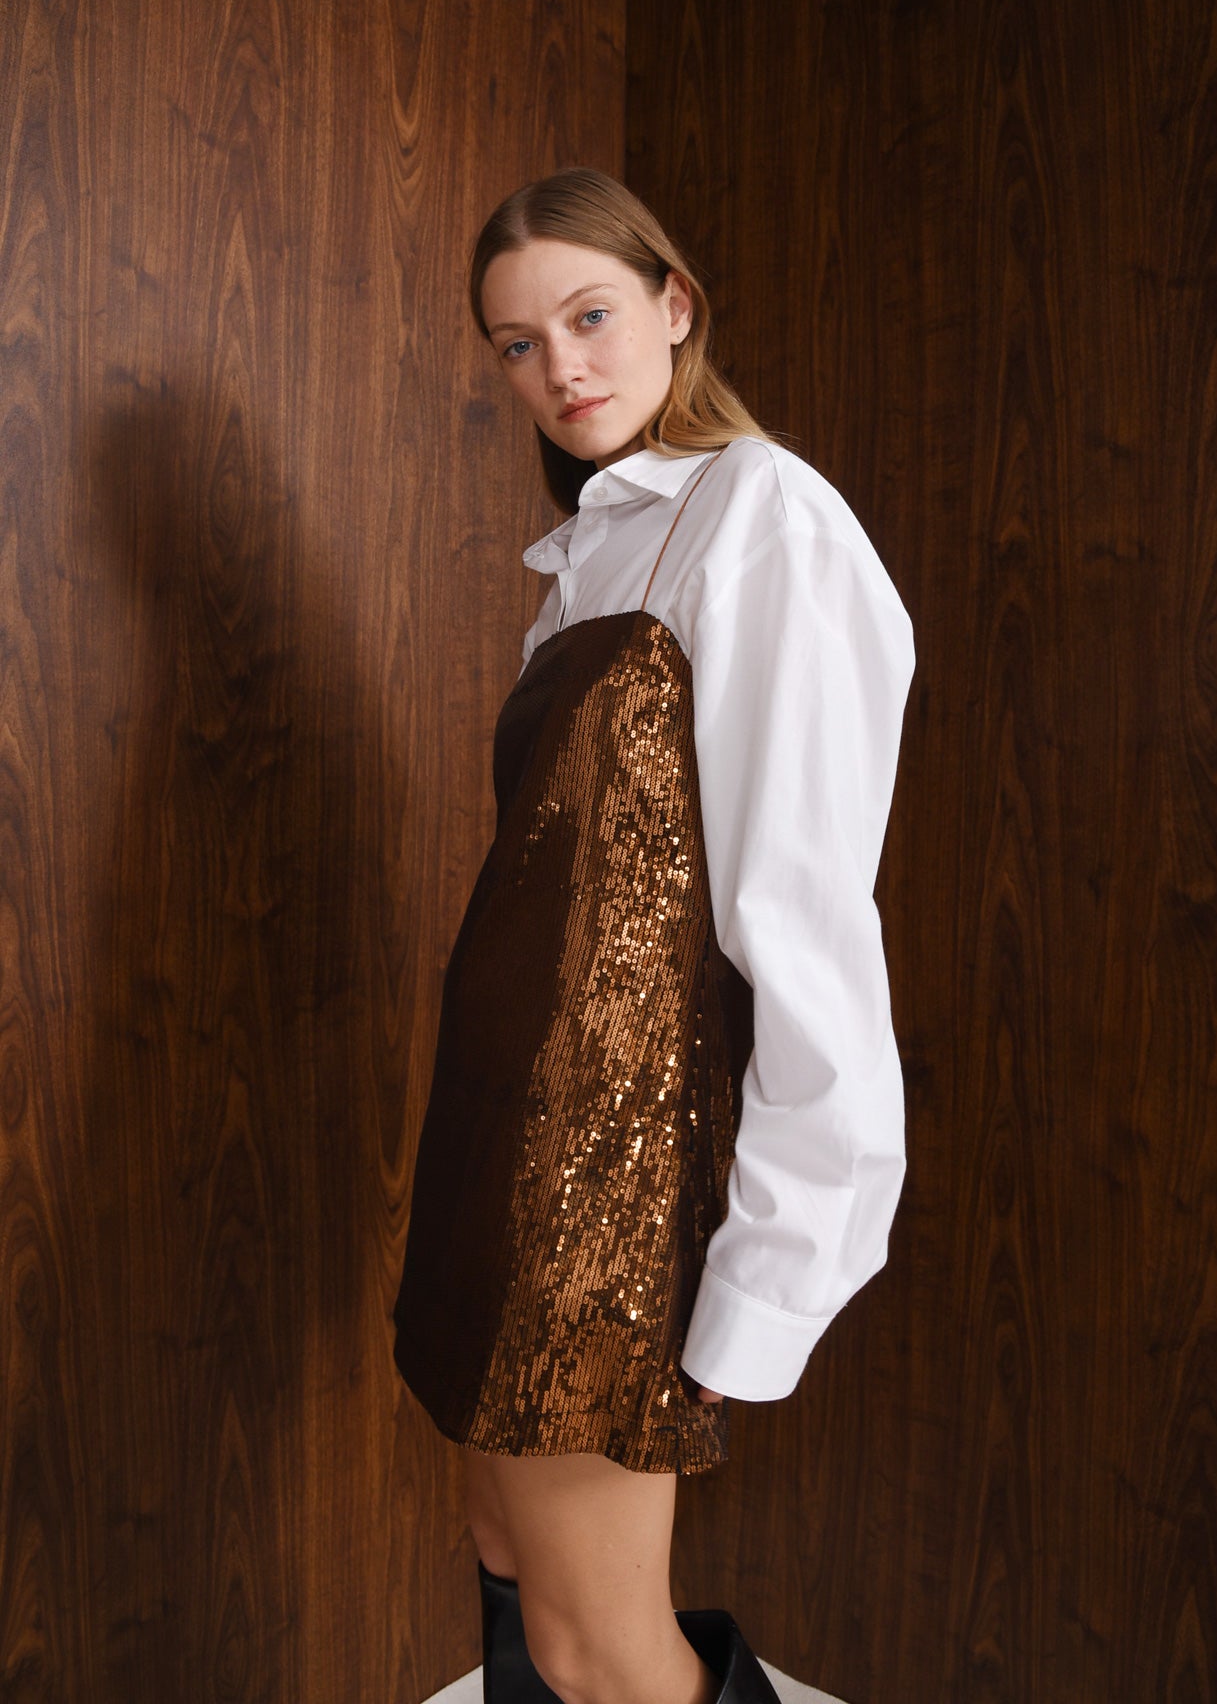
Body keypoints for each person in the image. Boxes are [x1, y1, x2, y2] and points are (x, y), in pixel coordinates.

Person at [392, 169, 915, 1704]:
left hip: (603, 1169)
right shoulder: (581, 565)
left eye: (590, 315)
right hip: (499, 1126)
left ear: (674, 306)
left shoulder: (761, 514)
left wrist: (776, 1270)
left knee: (596, 1645)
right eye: (517, 343)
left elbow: (798, 917)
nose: (559, 368)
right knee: (501, 1543)